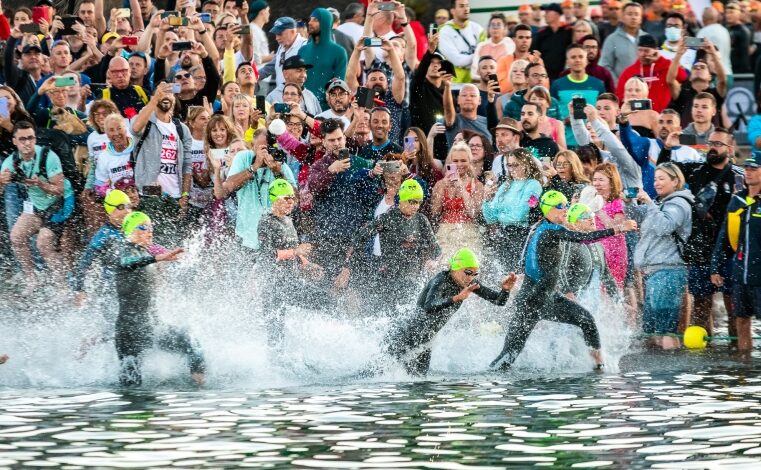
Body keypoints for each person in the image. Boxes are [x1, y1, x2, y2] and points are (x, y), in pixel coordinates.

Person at [490, 190, 637, 371]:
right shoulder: (550, 231)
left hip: (548, 298)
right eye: (560, 206)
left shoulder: (543, 228)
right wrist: (620, 228)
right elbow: (584, 238)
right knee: (509, 354)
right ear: (547, 210)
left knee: (587, 320)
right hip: (531, 302)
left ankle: (599, 366)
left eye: (567, 205)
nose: (565, 209)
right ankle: (490, 380)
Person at [381, 248, 515, 375]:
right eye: (467, 272)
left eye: (475, 274)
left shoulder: (469, 284)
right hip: (406, 336)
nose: (470, 278)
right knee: (379, 374)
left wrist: (506, 290)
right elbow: (429, 306)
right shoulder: (440, 280)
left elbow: (498, 301)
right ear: (456, 268)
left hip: (425, 342)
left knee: (420, 383)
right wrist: (457, 298)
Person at [114, 211, 205, 386]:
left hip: (152, 327)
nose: (150, 231)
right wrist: (158, 258)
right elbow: (127, 262)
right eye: (143, 227)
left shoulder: (144, 254)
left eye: (151, 227)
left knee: (191, 342)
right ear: (131, 231)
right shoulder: (125, 252)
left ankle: (199, 392)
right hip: (130, 332)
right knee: (131, 387)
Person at [336, 179, 441, 308]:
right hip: (388, 277)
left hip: (413, 277)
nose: (415, 206)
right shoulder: (386, 218)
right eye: (411, 201)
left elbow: (436, 248)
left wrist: (434, 261)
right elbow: (360, 238)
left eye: (418, 202)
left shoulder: (421, 220)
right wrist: (348, 267)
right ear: (402, 200)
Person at [0, 120, 72, 294]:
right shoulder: (11, 161)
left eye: (31, 138)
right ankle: (32, 280)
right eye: (22, 139)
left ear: (35, 139)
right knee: (16, 237)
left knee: (43, 242)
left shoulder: (48, 156)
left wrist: (41, 185)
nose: (27, 143)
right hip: (37, 205)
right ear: (14, 141)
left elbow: (60, 190)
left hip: (60, 203)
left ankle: (62, 287)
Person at [257, 178, 325, 350]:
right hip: (274, 286)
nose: (290, 202)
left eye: (292, 198)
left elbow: (292, 249)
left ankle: (327, 341)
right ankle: (274, 368)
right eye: (285, 198)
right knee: (275, 334)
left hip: (290, 282)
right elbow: (267, 255)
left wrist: (307, 264)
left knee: (326, 301)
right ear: (274, 198)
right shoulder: (266, 222)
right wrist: (296, 252)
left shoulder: (288, 220)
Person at [633, 163, 693, 350]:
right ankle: (654, 375)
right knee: (651, 332)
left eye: (662, 178)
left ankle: (669, 375)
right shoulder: (662, 203)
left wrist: (650, 203)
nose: (657, 183)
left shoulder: (678, 203)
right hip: (655, 272)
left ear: (675, 181)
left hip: (668, 271)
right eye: (655, 178)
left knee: (665, 331)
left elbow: (664, 226)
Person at [129, 82, 193, 246]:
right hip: (150, 194)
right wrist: (154, 99)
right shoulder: (145, 121)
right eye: (161, 93)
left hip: (175, 196)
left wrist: (185, 195)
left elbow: (187, 165)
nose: (165, 96)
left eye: (169, 93)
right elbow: (135, 129)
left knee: (174, 246)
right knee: (151, 244)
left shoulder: (181, 129)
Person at [711, 156, 761, 354]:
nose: (747, 172)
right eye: (746, 168)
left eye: (753, 168)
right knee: (741, 319)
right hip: (740, 273)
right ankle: (745, 362)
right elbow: (723, 237)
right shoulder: (737, 200)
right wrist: (715, 267)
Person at [482, 148, 543, 272]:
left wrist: (500, 215)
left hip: (521, 236)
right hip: (503, 235)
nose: (511, 169)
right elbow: (490, 218)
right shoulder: (506, 185)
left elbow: (519, 216)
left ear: (526, 165)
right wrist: (487, 199)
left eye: (516, 165)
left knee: (515, 274)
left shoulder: (533, 185)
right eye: (509, 165)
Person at [73, 189, 132, 302]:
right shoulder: (103, 236)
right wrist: (80, 289)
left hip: (132, 286)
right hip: (112, 292)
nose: (127, 211)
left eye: (128, 206)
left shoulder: (132, 229)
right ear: (110, 210)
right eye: (121, 207)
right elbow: (84, 263)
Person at [430, 142, 484, 261]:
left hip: (469, 233)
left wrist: (461, 188)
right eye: (455, 161)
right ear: (450, 162)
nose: (459, 164)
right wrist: (442, 187)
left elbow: (473, 213)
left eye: (463, 160)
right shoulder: (441, 184)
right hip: (445, 232)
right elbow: (434, 212)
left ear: (469, 162)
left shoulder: (477, 185)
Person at [616, 34, 686, 114]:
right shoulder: (629, 71)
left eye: (646, 51)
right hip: (636, 116)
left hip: (663, 117)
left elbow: (682, 77)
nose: (642, 54)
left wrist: (660, 60)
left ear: (656, 50)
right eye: (640, 50)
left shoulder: (665, 66)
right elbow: (619, 95)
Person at [299, 8, 348, 110]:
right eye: (310, 19)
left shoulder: (339, 52)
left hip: (327, 110)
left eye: (315, 20)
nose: (310, 23)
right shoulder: (302, 50)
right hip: (303, 108)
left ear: (325, 23)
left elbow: (338, 84)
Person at [437, 0, 485, 84]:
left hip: (477, 82)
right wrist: (476, 56)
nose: (466, 9)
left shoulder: (479, 29)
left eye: (467, 6)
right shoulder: (444, 31)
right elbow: (457, 60)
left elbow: (485, 56)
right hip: (455, 83)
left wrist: (477, 57)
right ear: (453, 11)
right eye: (462, 6)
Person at [599, 1, 645, 83]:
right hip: (621, 90)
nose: (633, 17)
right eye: (630, 14)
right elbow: (605, 66)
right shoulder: (612, 39)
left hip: (645, 89)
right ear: (622, 17)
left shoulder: (647, 38)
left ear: (641, 18)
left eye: (636, 14)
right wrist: (618, 84)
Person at [531, 3, 572, 80]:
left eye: (547, 12)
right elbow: (533, 53)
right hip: (546, 77)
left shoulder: (569, 31)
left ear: (557, 14)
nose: (544, 15)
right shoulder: (541, 34)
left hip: (566, 75)